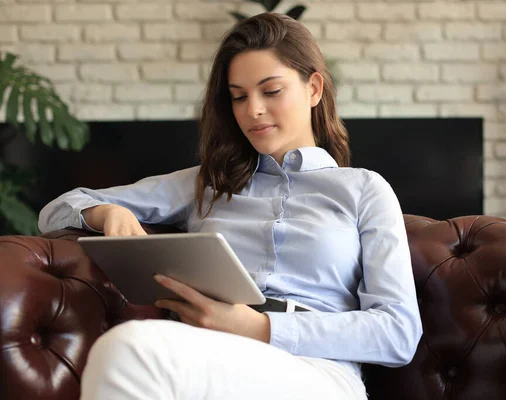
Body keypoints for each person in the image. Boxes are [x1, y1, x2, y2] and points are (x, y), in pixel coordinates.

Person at [38, 12, 422, 400]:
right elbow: (57, 209)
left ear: (314, 89)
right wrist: (107, 212)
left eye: (270, 91)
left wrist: (261, 328)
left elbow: (398, 332)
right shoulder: (207, 183)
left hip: (318, 371)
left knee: (127, 348)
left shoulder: (365, 190)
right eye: (238, 96)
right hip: (209, 356)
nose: (252, 110)